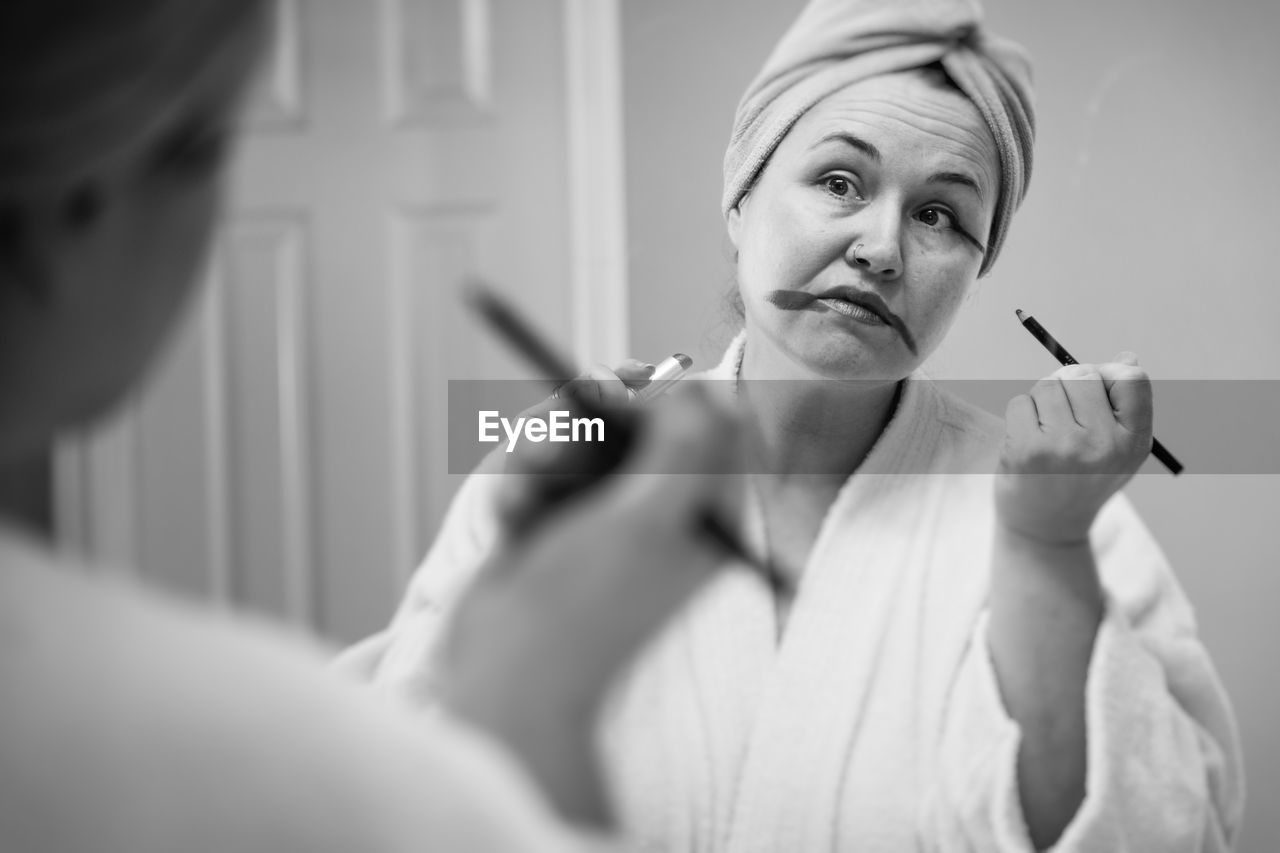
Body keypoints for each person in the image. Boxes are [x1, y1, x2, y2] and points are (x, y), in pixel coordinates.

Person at [343, 0, 1246, 850]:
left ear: (977, 267)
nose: (882, 249)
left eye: (940, 214)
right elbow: (408, 789)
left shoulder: (1062, 517)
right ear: (741, 199)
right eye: (839, 181)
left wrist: (1047, 544)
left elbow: (1161, 831)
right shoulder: (568, 458)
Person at [0, 1, 746, 850]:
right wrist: (532, 696)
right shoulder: (200, 755)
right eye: (210, 148)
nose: (877, 246)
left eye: (937, 211)